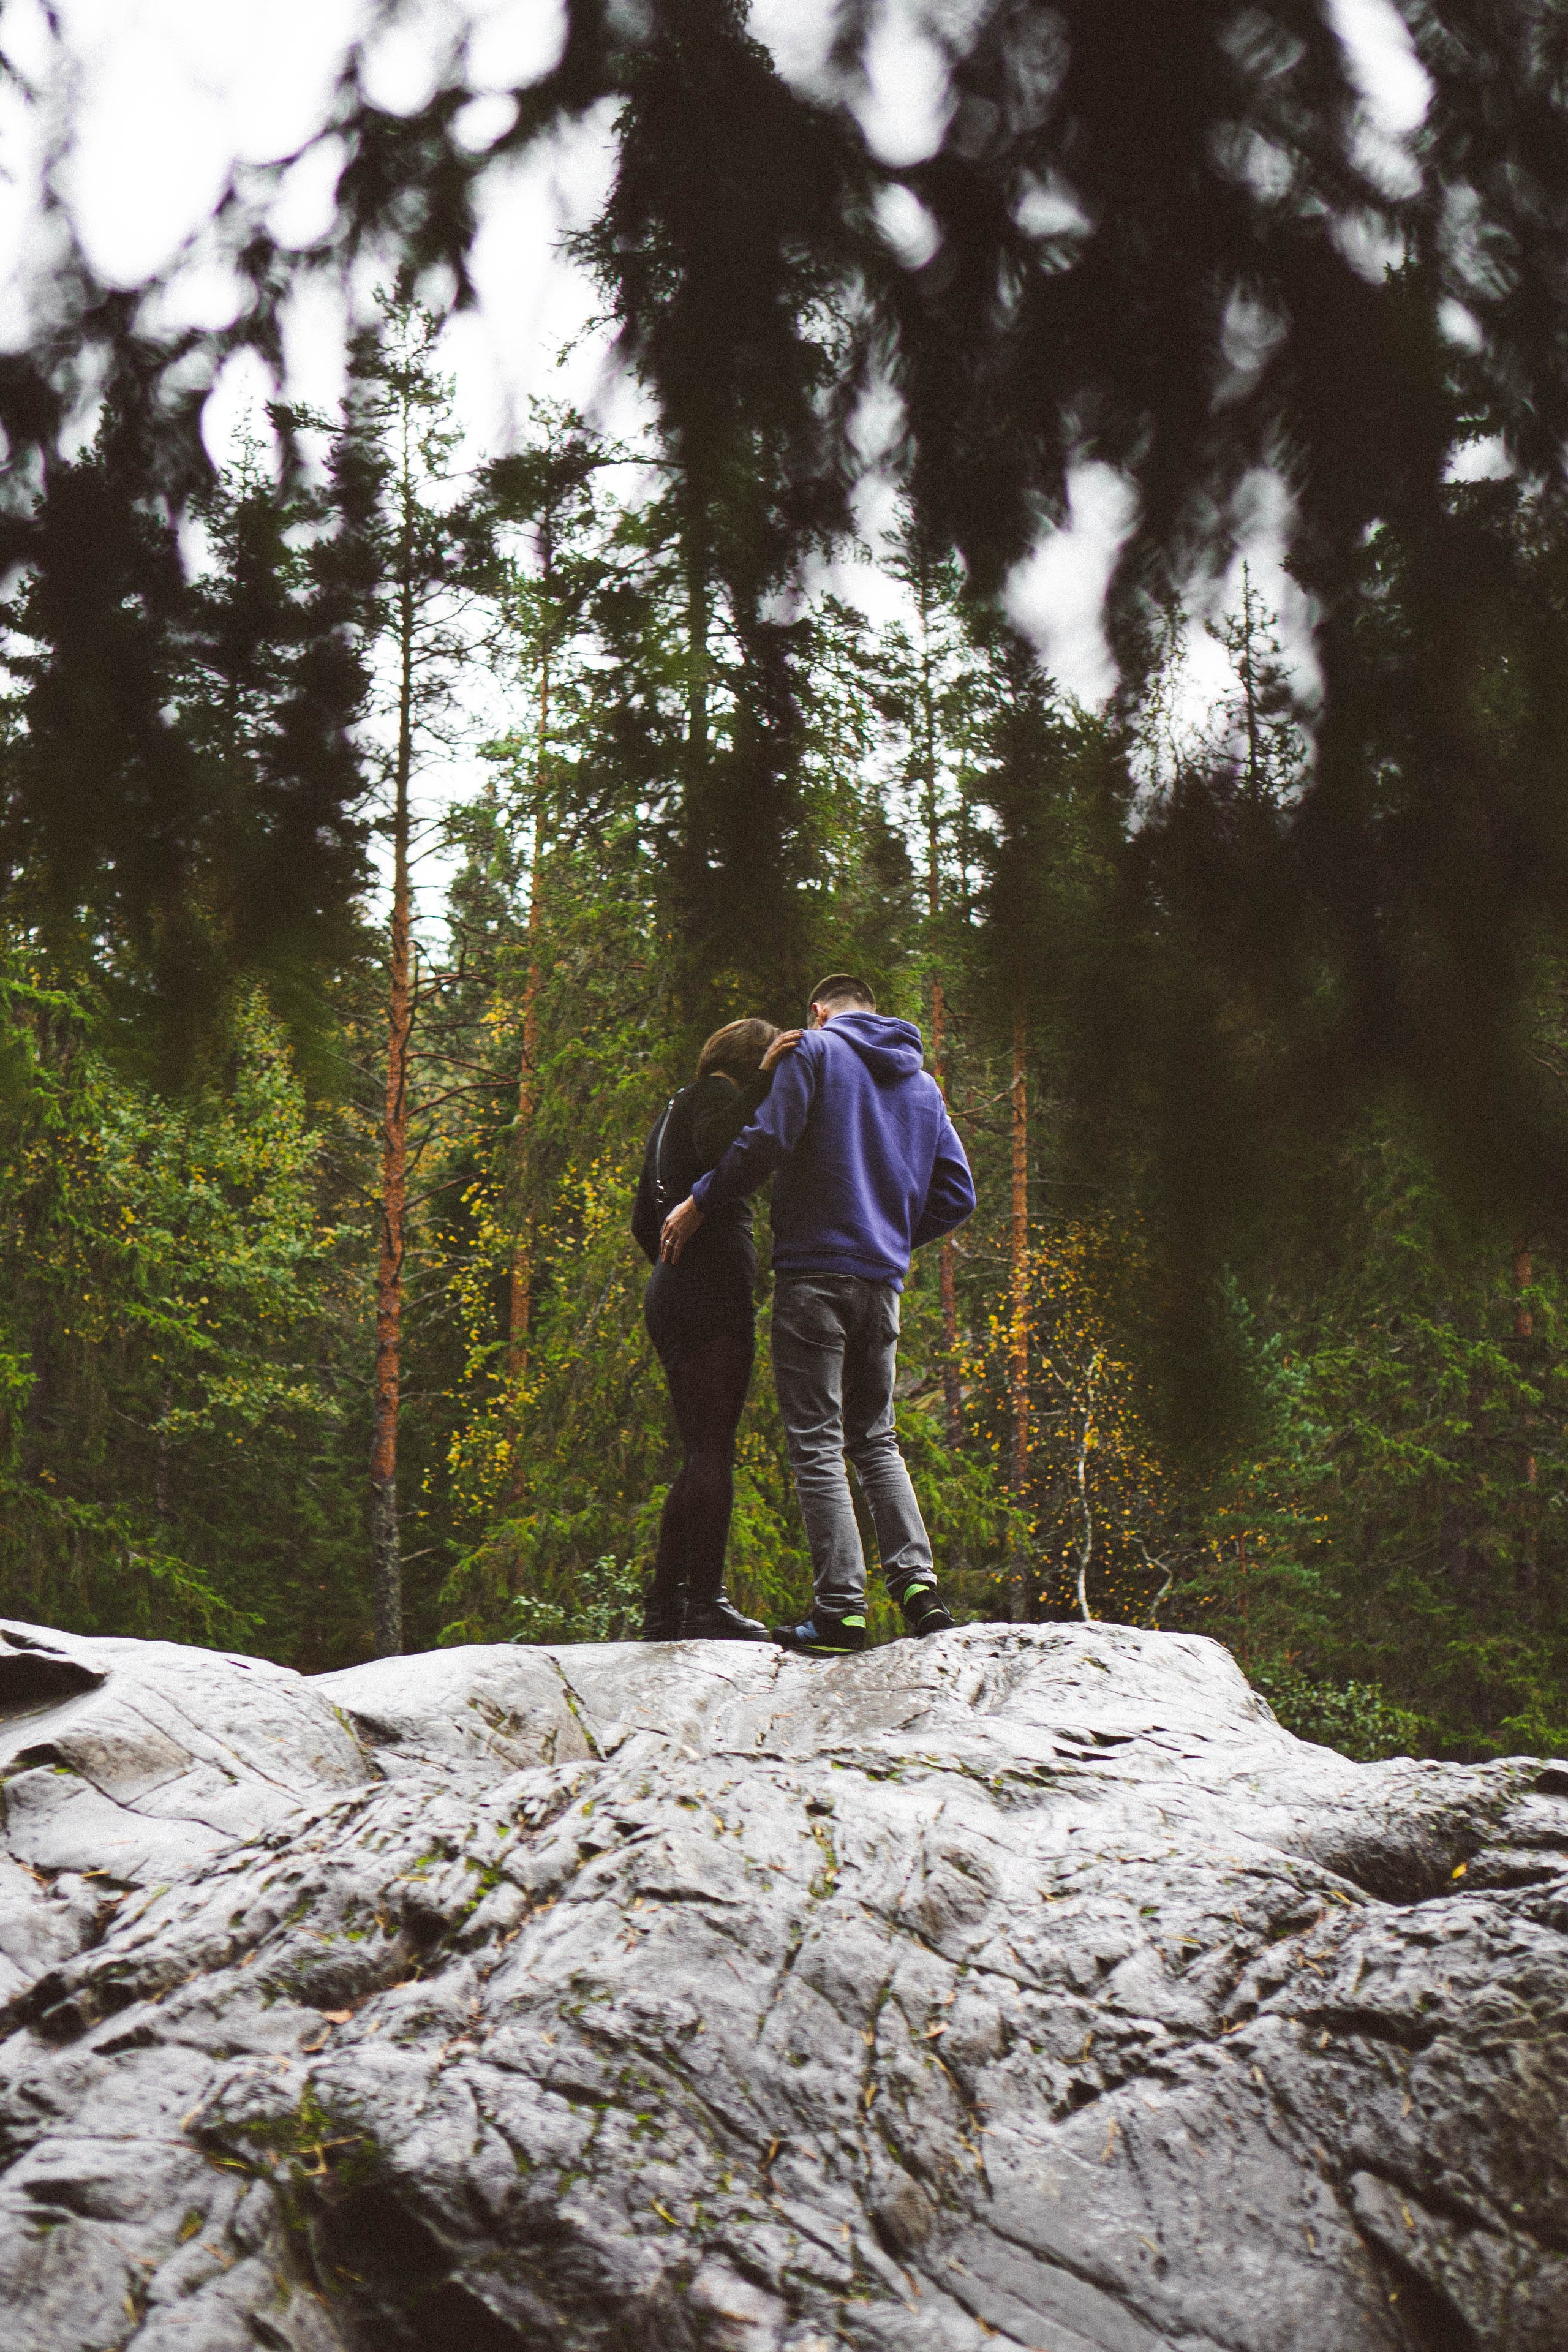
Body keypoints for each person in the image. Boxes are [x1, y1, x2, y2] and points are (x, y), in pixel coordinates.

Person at [660, 974, 975, 1657]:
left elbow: (766, 1140)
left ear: (818, 1011)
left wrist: (702, 1200)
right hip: (882, 1283)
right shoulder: (924, 1086)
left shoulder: (815, 1050)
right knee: (876, 1439)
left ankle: (841, 1611)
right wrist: (890, 1238)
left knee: (816, 1442)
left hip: (814, 1276)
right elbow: (958, 1194)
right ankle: (919, 1590)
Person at [631, 1016, 802, 1642]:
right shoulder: (715, 1095)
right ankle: (705, 1602)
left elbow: (642, 1222)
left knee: (699, 1449)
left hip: (674, 1293)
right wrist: (764, 1081)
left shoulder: (674, 1108)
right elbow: (716, 1148)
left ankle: (665, 1608)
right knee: (712, 1449)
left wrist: (672, 1269)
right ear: (753, 1059)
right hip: (708, 1295)